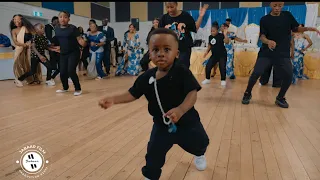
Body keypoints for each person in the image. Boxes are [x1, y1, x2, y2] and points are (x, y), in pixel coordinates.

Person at [99, 28, 209, 180]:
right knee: (154, 153)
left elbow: (192, 93)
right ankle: (150, 175)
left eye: (167, 49)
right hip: (162, 125)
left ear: (176, 53)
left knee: (201, 142)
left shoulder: (181, 71)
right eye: (155, 49)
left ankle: (199, 154)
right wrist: (114, 99)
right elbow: (133, 93)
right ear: (149, 53)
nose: (161, 53)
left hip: (188, 122)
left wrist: (181, 110)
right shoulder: (146, 77)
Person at [241, 2, 320, 108]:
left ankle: (280, 97)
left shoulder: (287, 15)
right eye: (275, 6)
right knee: (256, 73)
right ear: (270, 5)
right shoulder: (264, 19)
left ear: (282, 5)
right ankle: (247, 93)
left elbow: (296, 28)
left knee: (289, 75)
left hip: (283, 53)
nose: (277, 8)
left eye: (280, 5)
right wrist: (268, 41)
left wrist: (309, 28)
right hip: (267, 53)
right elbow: (262, 36)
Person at [159, 2, 209, 68]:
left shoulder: (185, 15)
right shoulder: (164, 18)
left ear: (176, 5)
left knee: (182, 68)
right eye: (167, 7)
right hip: (170, 49)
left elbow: (195, 28)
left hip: (184, 48)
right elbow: (159, 35)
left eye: (172, 7)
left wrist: (201, 16)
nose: (170, 10)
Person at [54, 11, 87, 96]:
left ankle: (78, 88)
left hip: (73, 52)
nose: (62, 19)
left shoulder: (73, 28)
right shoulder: (56, 28)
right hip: (63, 53)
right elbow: (58, 40)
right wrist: (56, 47)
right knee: (62, 72)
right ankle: (65, 88)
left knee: (71, 70)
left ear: (68, 19)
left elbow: (79, 39)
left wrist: (83, 43)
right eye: (60, 17)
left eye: (65, 17)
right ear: (58, 18)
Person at [10, 14, 42, 86]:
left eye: (18, 19)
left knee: (31, 65)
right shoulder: (14, 30)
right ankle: (19, 79)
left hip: (30, 50)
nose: (16, 21)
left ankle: (32, 79)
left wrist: (31, 44)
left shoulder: (27, 28)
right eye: (14, 19)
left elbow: (33, 38)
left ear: (22, 19)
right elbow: (15, 42)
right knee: (19, 65)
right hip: (20, 50)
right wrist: (24, 45)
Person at [45, 16, 60, 84]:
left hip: (57, 48)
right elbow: (49, 37)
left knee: (59, 64)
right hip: (52, 47)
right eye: (56, 21)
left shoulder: (56, 28)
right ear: (53, 20)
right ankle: (50, 78)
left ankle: (51, 77)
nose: (57, 23)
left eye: (58, 22)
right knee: (53, 63)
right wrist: (51, 45)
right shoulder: (48, 26)